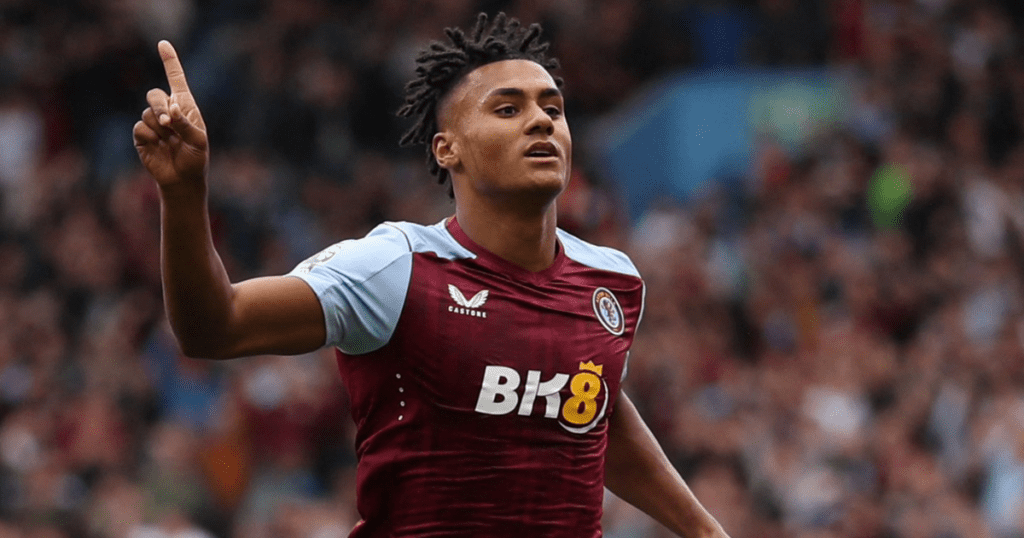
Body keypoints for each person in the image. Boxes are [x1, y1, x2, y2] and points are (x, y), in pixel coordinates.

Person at [133, 12, 730, 538]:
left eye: (553, 108)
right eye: (508, 109)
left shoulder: (612, 281)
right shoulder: (395, 268)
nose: (542, 121)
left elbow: (592, 399)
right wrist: (185, 195)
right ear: (448, 149)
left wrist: (702, 528)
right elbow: (215, 328)